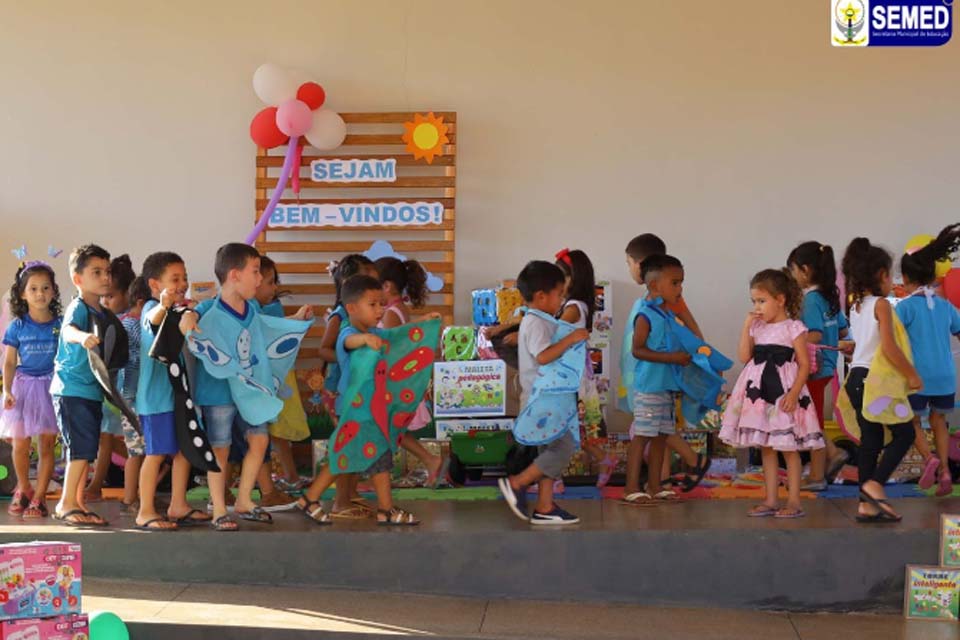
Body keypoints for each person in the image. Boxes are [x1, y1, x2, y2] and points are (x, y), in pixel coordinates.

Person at [191, 243, 311, 530]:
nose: (259, 279)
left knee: (259, 439)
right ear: (234, 275)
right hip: (217, 390)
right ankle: (220, 509)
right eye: (255, 272)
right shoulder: (209, 307)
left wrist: (295, 322)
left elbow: (266, 330)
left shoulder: (253, 307)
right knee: (220, 448)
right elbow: (193, 319)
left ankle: (244, 499)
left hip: (251, 388)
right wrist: (187, 317)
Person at [296, 274, 422, 525]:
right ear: (352, 308)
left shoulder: (375, 332)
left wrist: (422, 325)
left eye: (381, 304)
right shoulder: (348, 332)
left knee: (355, 456)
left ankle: (311, 499)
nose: (380, 310)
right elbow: (349, 342)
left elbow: (397, 337)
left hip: (368, 410)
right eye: (373, 304)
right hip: (357, 410)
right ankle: (383, 510)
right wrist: (364, 339)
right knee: (370, 456)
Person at [720, 269, 824, 519]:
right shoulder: (757, 327)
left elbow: (804, 364)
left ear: (780, 299)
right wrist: (746, 326)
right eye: (754, 301)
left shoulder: (793, 327)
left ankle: (795, 500)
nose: (757, 306)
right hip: (758, 395)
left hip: (783, 392)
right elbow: (745, 357)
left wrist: (794, 393)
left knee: (788, 447)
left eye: (762, 301)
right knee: (766, 448)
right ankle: (770, 499)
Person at [497, 261, 589, 525]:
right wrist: (571, 339)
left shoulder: (537, 319)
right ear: (541, 296)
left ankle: (545, 506)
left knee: (551, 448)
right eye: (559, 294)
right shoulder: (536, 322)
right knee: (563, 447)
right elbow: (544, 356)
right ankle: (517, 483)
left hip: (547, 400)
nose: (561, 301)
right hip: (542, 401)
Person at [842, 238, 922, 523]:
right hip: (874, 382)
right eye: (890, 274)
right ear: (880, 275)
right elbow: (888, 347)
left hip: (855, 379)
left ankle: (866, 505)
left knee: (870, 442)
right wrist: (911, 374)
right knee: (905, 434)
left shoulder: (856, 306)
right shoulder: (882, 305)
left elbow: (864, 344)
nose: (892, 281)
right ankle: (874, 486)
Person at [622, 234, 710, 492]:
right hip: (649, 384)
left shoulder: (666, 307)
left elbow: (691, 332)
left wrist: (698, 354)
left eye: (680, 282)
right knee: (643, 436)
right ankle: (631, 489)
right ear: (654, 281)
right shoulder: (647, 311)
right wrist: (674, 357)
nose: (680, 289)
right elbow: (638, 349)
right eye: (676, 283)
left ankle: (656, 486)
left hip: (665, 386)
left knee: (660, 436)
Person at [135, 252, 211, 531]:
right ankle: (144, 510)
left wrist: (190, 312)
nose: (182, 284)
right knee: (155, 453)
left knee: (182, 450)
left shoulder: (179, 309)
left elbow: (187, 318)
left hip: (177, 395)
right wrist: (165, 305)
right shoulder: (151, 309)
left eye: (185, 278)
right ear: (155, 284)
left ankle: (178, 504)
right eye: (175, 279)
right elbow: (154, 321)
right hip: (156, 399)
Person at [49, 244, 112, 527]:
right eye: (96, 272)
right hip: (71, 389)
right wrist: (82, 337)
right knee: (78, 449)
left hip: (89, 389)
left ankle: (78, 502)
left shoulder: (101, 310)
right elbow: (68, 330)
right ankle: (65, 503)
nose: (104, 277)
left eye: (107, 272)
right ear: (78, 279)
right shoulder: (79, 307)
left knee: (87, 448)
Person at [896, 224, 960, 496]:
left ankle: (928, 459)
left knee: (911, 421)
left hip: (917, 377)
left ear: (907, 277)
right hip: (945, 376)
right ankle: (945, 469)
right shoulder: (947, 307)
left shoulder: (905, 307)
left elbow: (891, 341)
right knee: (939, 422)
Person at [374, 256, 447, 488]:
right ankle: (428, 460)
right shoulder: (396, 308)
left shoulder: (391, 313)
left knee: (389, 427)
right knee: (390, 428)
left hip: (391, 381)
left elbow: (392, 348)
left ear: (386, 286)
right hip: (393, 379)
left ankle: (430, 460)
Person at [317, 254, 377, 518]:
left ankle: (350, 494)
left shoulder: (364, 318)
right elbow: (324, 350)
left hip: (355, 391)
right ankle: (340, 501)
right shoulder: (340, 317)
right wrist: (350, 353)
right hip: (339, 391)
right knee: (346, 446)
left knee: (353, 445)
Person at [787, 241, 850, 490]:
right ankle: (829, 456)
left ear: (805, 270)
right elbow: (843, 329)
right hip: (828, 366)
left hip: (813, 367)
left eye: (793, 270)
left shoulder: (811, 299)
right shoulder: (829, 295)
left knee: (812, 421)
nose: (793, 276)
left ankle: (817, 474)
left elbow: (813, 334)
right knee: (812, 417)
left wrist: (790, 343)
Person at [1, 261, 62, 519]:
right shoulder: (17, 326)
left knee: (47, 444)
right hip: (23, 387)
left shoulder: (60, 325)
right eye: (33, 288)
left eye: (45, 288)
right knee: (20, 444)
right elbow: (10, 361)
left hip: (50, 386)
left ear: (53, 292)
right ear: (23, 294)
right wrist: (7, 390)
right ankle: (23, 487)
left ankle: (39, 497)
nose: (40, 294)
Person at [554, 248, 617, 487]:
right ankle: (605, 459)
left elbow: (551, 334)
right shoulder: (573, 305)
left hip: (572, 377)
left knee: (562, 427)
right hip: (574, 374)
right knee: (577, 429)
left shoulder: (573, 308)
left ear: (572, 279)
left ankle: (554, 478)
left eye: (558, 278)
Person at [255, 255, 310, 492]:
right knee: (258, 435)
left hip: (269, 381)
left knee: (266, 433)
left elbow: (266, 330)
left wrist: (295, 320)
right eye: (269, 281)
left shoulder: (261, 307)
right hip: (260, 384)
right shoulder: (249, 308)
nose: (275, 287)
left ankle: (281, 481)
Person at [86, 254, 137, 503]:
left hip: (121, 392)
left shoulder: (127, 322)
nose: (106, 301)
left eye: (111, 296)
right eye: (103, 297)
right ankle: (107, 485)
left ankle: (96, 485)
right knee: (110, 438)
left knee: (112, 439)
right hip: (111, 390)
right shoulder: (107, 320)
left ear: (128, 294)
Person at [118, 275, 150, 511]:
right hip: (133, 398)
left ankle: (135, 497)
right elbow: (148, 350)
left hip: (134, 397)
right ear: (141, 303)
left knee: (139, 451)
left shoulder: (127, 323)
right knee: (137, 451)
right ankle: (130, 498)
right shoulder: (132, 325)